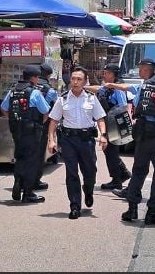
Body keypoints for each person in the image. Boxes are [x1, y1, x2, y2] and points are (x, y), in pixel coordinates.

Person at [105, 59, 155, 225]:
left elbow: (136, 105)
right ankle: (152, 212)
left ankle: (132, 209)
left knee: (139, 171)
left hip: (142, 136)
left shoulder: (145, 85)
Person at [47, 67, 107, 219]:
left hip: (87, 140)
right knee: (72, 173)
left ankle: (88, 190)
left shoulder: (91, 98)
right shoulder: (63, 99)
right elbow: (53, 121)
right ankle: (74, 206)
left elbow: (100, 118)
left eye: (79, 79)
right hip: (68, 140)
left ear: (85, 81)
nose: (75, 82)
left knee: (90, 172)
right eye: (73, 78)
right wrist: (51, 140)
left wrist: (103, 135)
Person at [0, 65, 50, 203]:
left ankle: (18, 182)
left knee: (20, 157)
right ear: (33, 78)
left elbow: (4, 109)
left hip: (16, 130)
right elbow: (45, 111)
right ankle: (28, 192)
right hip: (32, 131)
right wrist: (40, 124)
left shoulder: (12, 91)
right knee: (32, 160)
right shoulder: (34, 92)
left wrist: (13, 120)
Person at [86, 64, 132, 190]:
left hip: (115, 123)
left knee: (111, 152)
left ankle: (117, 180)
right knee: (109, 151)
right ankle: (123, 173)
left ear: (113, 75)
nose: (104, 74)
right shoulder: (107, 87)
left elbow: (122, 107)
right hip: (107, 122)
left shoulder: (118, 89)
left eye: (106, 72)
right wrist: (83, 87)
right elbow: (97, 89)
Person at [34, 63, 59, 191]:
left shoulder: (24, 86)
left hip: (23, 124)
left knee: (24, 153)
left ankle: (20, 180)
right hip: (41, 124)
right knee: (38, 154)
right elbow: (55, 108)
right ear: (49, 75)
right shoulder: (50, 90)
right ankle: (35, 181)